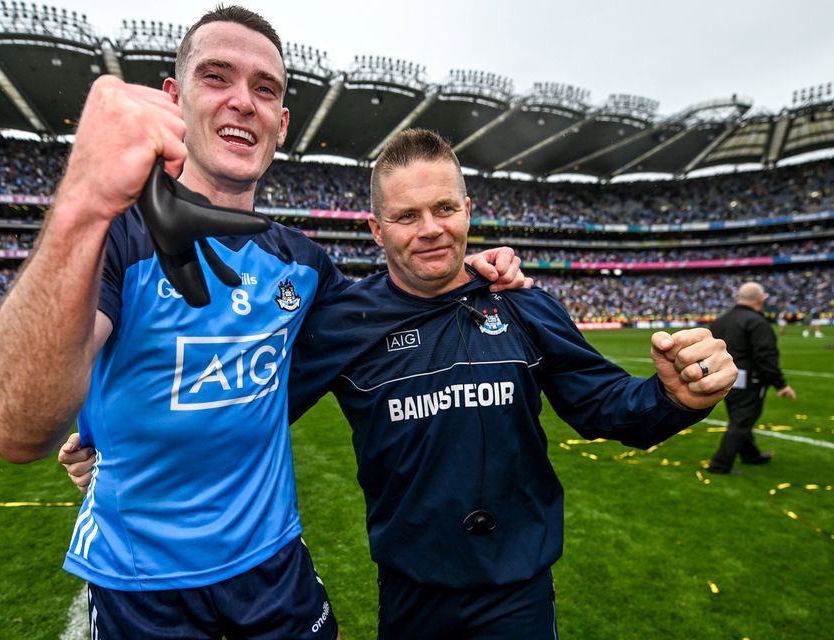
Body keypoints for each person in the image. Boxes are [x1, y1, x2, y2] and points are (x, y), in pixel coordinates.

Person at [0, 7, 526, 640]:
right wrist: (84, 200)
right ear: (174, 99)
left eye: (265, 88)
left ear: (282, 121)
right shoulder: (118, 239)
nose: (244, 101)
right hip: (142, 585)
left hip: (274, 571)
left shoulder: (304, 265)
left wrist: (468, 267)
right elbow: (16, 430)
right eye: (217, 77)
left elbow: (396, 307)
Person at [64, 129, 737, 639]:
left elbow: (606, 406)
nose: (431, 230)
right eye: (408, 217)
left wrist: (674, 398)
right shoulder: (339, 321)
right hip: (412, 594)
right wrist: (108, 438)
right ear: (376, 229)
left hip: (520, 592)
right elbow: (240, 399)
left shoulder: (525, 304)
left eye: (444, 208)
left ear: (468, 209)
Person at [707, 281, 796, 475]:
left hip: (724, 378)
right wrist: (780, 384)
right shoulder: (757, 322)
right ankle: (720, 465)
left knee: (739, 417)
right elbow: (765, 356)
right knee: (742, 421)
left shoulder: (721, 320)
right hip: (749, 379)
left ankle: (751, 455)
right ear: (760, 299)